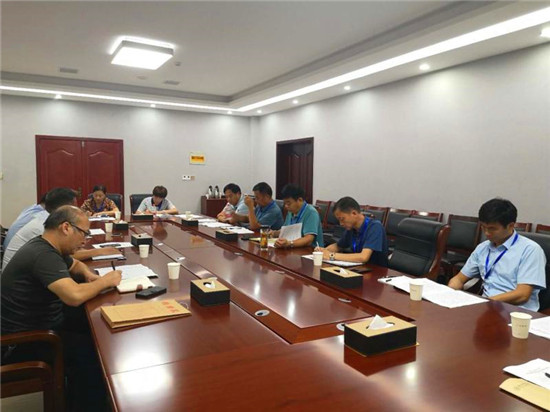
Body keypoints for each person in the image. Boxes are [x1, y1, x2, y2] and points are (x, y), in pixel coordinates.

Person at [1, 205, 122, 411]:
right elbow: (74, 296)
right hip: (24, 342)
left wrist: (88, 275)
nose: (84, 240)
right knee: (95, 356)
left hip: (42, 322)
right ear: (66, 227)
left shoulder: (46, 245)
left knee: (99, 327)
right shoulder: (42, 255)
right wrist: (105, 281)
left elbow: (75, 265)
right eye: (83, 233)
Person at [448, 198, 546, 311]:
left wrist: (485, 302)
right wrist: (450, 292)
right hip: (486, 307)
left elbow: (522, 295)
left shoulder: (530, 250)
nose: (486, 233)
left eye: (492, 229)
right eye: (483, 227)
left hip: (515, 312)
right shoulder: (483, 248)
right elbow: (459, 279)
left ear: (511, 226)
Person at [2, 188, 119, 267]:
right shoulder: (45, 225)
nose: (77, 210)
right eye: (74, 207)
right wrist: (99, 251)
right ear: (64, 207)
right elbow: (69, 255)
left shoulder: (46, 217)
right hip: (22, 287)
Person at [317, 196, 388, 266]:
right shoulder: (351, 228)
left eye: (342, 219)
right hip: (359, 268)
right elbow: (338, 246)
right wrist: (322, 252)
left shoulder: (375, 227)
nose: (341, 224)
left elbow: (363, 257)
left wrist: (331, 255)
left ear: (354, 213)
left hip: (376, 270)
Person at [272, 184, 323, 248]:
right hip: (294, 248)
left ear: (300, 200)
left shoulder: (311, 212)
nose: (286, 206)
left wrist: (290, 243)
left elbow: (309, 239)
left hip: (310, 251)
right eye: (285, 203)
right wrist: (274, 233)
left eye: (288, 203)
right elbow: (286, 230)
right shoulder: (291, 212)